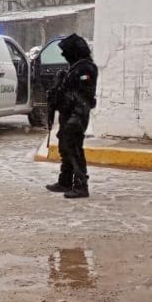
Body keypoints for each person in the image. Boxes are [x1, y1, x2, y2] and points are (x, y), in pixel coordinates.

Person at [46, 34, 98, 199]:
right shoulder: (75, 67)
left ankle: (81, 185)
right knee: (65, 147)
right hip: (67, 115)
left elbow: (84, 97)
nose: (63, 55)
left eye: (66, 52)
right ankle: (65, 181)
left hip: (76, 116)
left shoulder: (86, 69)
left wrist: (76, 118)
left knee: (74, 149)